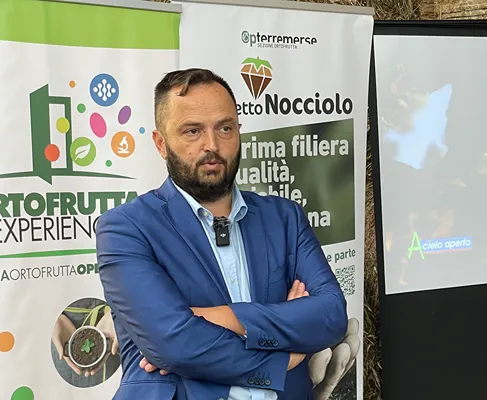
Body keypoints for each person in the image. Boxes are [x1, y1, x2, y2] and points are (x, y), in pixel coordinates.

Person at [95, 68, 348, 400]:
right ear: (161, 143)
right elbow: (176, 345)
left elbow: (331, 315)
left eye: (225, 128)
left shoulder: (284, 217)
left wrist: (223, 317)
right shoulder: (125, 228)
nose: (211, 145)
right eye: (192, 131)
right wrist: (284, 358)